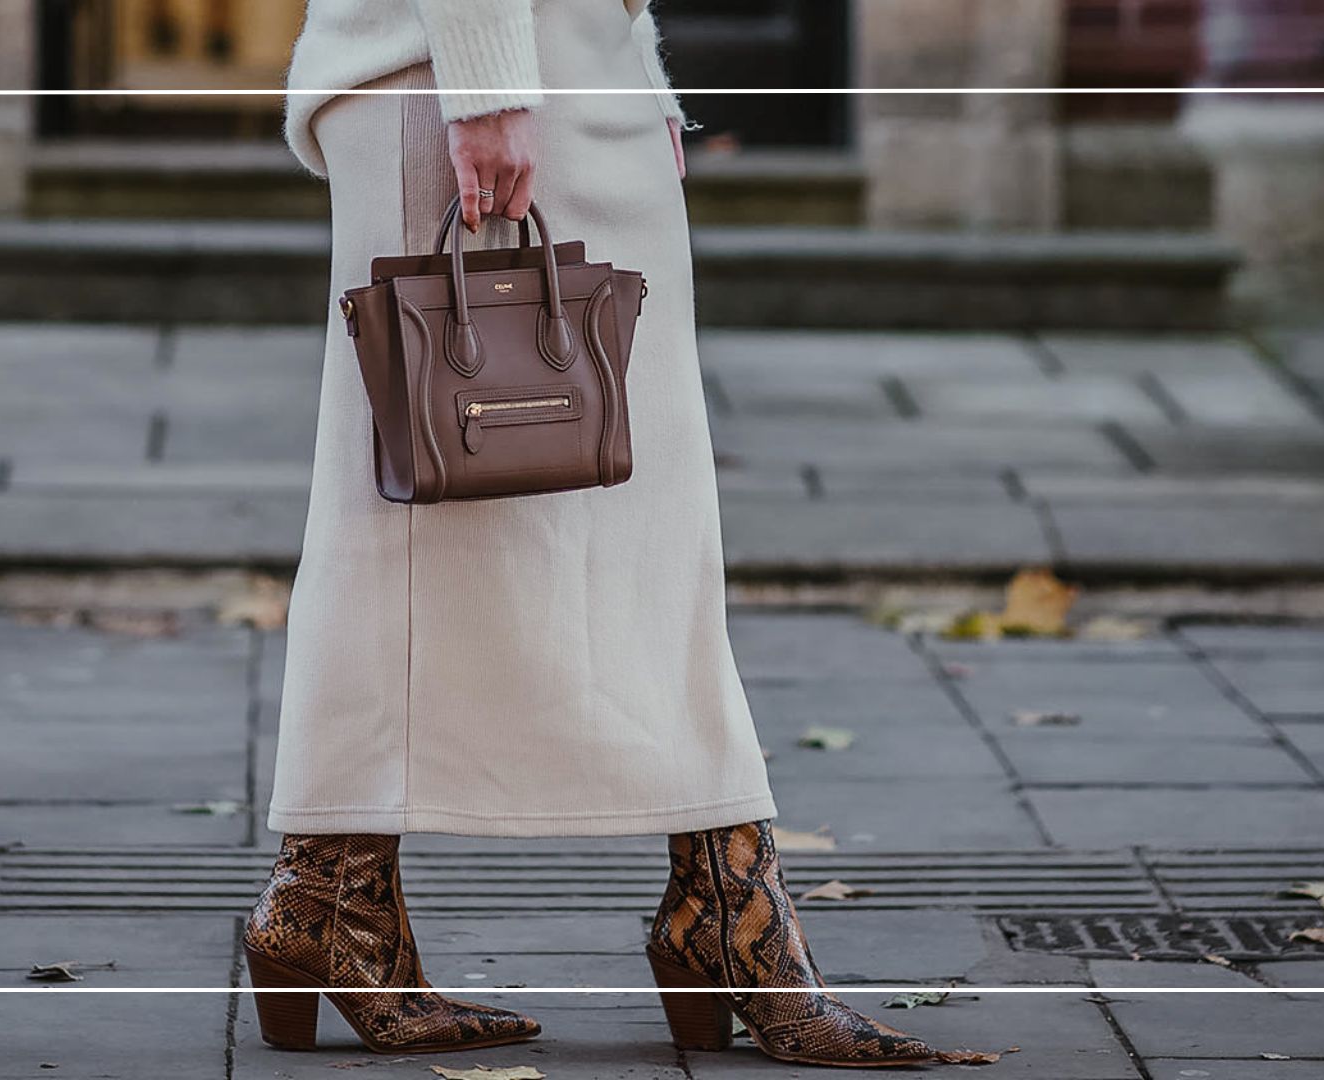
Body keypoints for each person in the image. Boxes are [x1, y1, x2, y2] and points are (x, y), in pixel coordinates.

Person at [244, 0, 940, 1067]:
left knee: (646, 523)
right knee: (409, 520)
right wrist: (483, 87)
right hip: (467, 73)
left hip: (570, 71)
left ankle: (338, 900)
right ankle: (720, 908)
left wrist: (636, 73)